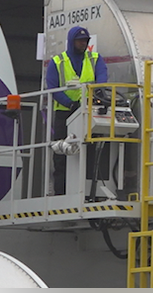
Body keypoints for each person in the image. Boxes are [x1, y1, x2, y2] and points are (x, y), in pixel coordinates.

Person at [45, 26, 108, 195]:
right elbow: (52, 87)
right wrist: (71, 104)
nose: (83, 44)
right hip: (64, 114)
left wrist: (92, 99)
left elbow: (102, 79)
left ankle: (86, 194)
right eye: (80, 41)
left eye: (86, 41)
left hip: (88, 113)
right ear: (71, 42)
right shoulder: (58, 61)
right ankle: (61, 194)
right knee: (61, 154)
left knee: (89, 153)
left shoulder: (95, 58)